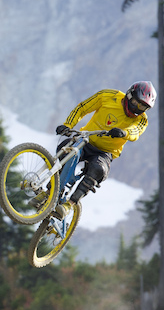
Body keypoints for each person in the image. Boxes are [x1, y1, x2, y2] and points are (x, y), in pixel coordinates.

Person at [51, 81, 155, 218]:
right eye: (136, 102)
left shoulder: (142, 120)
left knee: (99, 169)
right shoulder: (108, 96)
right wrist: (67, 125)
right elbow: (83, 108)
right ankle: (49, 191)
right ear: (129, 95)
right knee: (66, 149)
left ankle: (69, 205)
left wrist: (124, 133)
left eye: (142, 106)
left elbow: (135, 132)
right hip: (85, 140)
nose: (137, 108)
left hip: (105, 153)